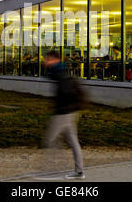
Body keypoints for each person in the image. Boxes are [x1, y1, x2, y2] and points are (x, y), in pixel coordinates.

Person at [43, 50, 85, 180]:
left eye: (48, 59)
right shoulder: (60, 71)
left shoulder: (61, 73)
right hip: (71, 111)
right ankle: (79, 171)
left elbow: (65, 92)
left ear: (56, 60)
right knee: (73, 141)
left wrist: (61, 108)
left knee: (49, 139)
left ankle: (51, 168)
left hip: (64, 112)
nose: (46, 62)